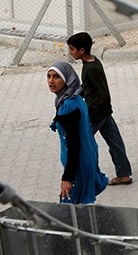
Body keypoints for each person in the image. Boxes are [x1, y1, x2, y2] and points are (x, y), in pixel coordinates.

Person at [66, 32, 133, 186]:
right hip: (104, 112)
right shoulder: (93, 62)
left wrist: (86, 111)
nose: (70, 52)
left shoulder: (90, 68)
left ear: (81, 50)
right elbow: (89, 87)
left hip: (96, 114)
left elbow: (101, 94)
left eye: (72, 49)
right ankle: (123, 174)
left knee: (81, 144)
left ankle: (81, 177)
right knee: (115, 143)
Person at [47, 61, 108, 204]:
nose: (51, 81)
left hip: (77, 163)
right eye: (49, 76)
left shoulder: (68, 107)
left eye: (56, 77)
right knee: (80, 206)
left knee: (67, 210)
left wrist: (67, 177)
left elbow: (73, 144)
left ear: (67, 80)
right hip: (86, 157)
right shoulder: (75, 98)